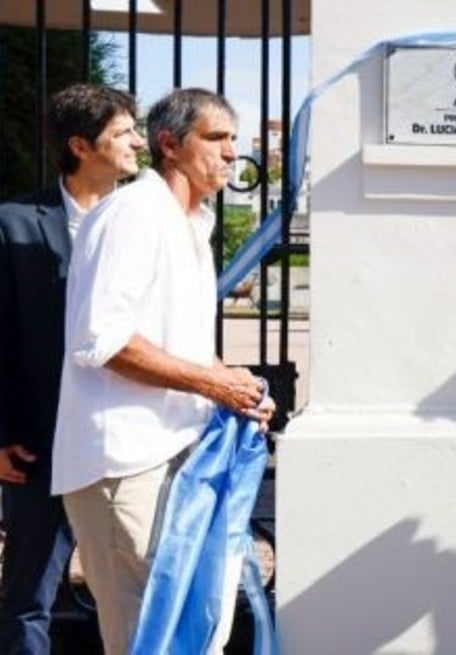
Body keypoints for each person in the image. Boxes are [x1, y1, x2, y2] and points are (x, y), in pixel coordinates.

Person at [50, 87, 273, 655]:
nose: (232, 153)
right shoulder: (132, 215)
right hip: (127, 462)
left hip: (180, 457)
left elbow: (186, 346)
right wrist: (214, 383)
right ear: (170, 145)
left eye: (234, 140)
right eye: (216, 138)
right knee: (149, 640)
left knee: (193, 637)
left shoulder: (191, 224)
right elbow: (104, 341)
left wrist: (237, 386)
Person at [0, 82, 143, 655]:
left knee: (137, 586)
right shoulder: (14, 224)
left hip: (126, 437)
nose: (138, 142)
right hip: (40, 444)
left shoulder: (144, 221)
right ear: (80, 146)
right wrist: (3, 434)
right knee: (28, 593)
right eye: (123, 132)